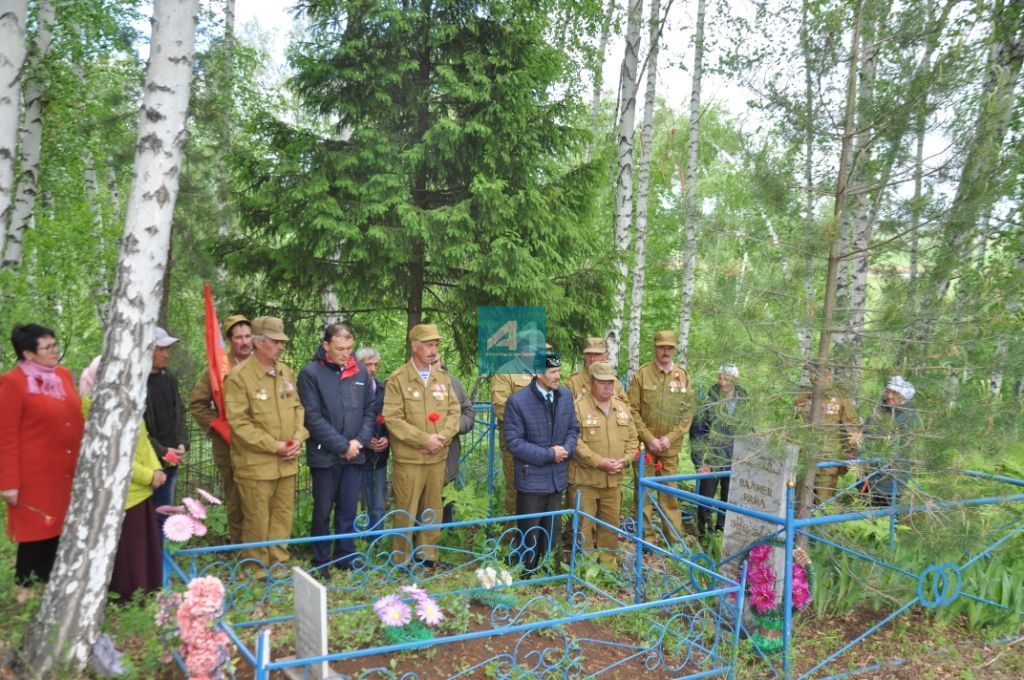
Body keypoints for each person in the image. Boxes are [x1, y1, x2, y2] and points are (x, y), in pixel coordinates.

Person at [0, 324, 84, 599]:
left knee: (59, 532)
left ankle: (49, 589)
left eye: (55, 345)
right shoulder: (13, 382)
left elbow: (74, 417)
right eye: (47, 348)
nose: (55, 352)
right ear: (27, 354)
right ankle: (23, 593)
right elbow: (6, 436)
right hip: (34, 477)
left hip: (65, 472)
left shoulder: (62, 375)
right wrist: (9, 483)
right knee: (34, 534)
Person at [224, 316, 308, 571]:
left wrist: (298, 438)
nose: (280, 346)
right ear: (259, 342)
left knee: (283, 516)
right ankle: (256, 570)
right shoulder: (239, 377)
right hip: (257, 465)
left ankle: (279, 564)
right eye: (275, 341)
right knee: (257, 520)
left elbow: (298, 408)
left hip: (287, 462)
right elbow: (240, 424)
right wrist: (275, 446)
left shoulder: (285, 371)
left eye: (282, 341)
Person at [80, 357, 164, 602]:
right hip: (120, 493)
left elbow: (143, 440)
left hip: (140, 490)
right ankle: (127, 599)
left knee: (142, 547)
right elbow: (115, 457)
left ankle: (146, 593)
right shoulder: (97, 409)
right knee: (129, 551)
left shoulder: (125, 401)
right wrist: (149, 476)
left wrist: (157, 469)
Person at [297, 322, 375, 572]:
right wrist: (342, 446)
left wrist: (359, 442)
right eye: (340, 348)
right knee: (322, 509)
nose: (345, 353)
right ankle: (320, 560)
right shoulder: (310, 373)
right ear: (326, 345)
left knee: (348, 507)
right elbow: (312, 417)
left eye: (350, 348)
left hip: (354, 454)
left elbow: (369, 411)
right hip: (325, 455)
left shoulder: (360, 371)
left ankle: (346, 556)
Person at [382, 324, 460, 566]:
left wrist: (441, 438)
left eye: (436, 345)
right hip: (410, 459)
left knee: (433, 508)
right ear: (414, 346)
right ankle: (401, 559)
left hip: (437, 457)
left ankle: (427, 555)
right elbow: (393, 419)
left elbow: (454, 411)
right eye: (428, 345)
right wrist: (425, 439)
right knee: (406, 510)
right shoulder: (398, 379)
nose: (433, 350)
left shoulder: (442, 379)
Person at [503, 349, 579, 572]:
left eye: (559, 371)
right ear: (537, 373)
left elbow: (574, 428)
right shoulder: (517, 401)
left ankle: (549, 572)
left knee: (553, 530)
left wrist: (567, 448)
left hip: (557, 479)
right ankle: (526, 574)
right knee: (530, 531)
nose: (558, 376)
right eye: (553, 371)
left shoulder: (565, 396)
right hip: (532, 480)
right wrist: (549, 455)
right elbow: (514, 443)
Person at [627, 330, 696, 543]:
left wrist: (669, 439)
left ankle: (673, 542)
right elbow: (632, 410)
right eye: (661, 347)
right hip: (645, 449)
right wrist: (650, 439)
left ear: (674, 349)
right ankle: (645, 541)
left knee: (669, 496)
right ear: (655, 348)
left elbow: (688, 413)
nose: (665, 351)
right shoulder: (642, 374)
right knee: (644, 496)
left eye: (670, 348)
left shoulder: (683, 376)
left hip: (670, 449)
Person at [188, 314, 251, 543]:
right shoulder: (217, 370)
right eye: (239, 337)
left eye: (248, 336)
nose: (245, 341)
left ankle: (262, 547)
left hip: (260, 445)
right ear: (230, 341)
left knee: (261, 498)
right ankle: (240, 547)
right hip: (230, 447)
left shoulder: (261, 363)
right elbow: (197, 404)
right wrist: (218, 427)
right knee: (236, 500)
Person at [569, 361, 637, 567]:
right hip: (585, 480)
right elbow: (575, 442)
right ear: (591, 383)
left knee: (610, 525)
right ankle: (585, 568)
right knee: (584, 526)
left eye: (611, 382)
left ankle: (609, 566)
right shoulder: (578, 408)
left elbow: (634, 440)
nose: (608, 386)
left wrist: (625, 461)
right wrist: (599, 462)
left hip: (613, 481)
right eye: (602, 382)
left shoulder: (622, 408)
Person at [689, 364, 750, 536]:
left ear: (736, 380)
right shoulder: (709, 401)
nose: (722, 383)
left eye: (727, 379)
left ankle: (724, 532)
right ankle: (705, 535)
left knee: (730, 499)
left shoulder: (744, 402)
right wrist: (699, 461)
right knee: (705, 499)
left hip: (736, 458)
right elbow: (697, 433)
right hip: (712, 458)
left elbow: (749, 430)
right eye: (720, 378)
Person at [489, 332, 542, 518]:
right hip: (517, 446)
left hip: (543, 445)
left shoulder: (541, 370)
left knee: (540, 491)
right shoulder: (505, 373)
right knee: (517, 491)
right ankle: (513, 538)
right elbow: (502, 409)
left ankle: (536, 537)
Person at [144, 327, 188, 531]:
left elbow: (178, 410)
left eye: (167, 349)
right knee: (150, 515)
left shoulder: (169, 375)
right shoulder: (138, 382)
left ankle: (162, 557)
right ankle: (153, 558)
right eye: (160, 349)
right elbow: (139, 431)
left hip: (171, 458)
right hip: (148, 462)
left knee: (166, 513)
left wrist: (181, 442)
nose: (166, 354)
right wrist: (162, 451)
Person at [795, 367, 860, 503]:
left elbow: (852, 428)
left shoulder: (841, 398)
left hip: (828, 461)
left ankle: (820, 524)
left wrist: (850, 454)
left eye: (821, 373)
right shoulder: (803, 397)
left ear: (829, 375)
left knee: (822, 504)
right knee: (799, 502)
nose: (815, 377)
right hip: (804, 459)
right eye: (812, 373)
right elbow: (794, 425)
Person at [858, 376, 921, 507]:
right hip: (868, 474)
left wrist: (881, 459)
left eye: (895, 393)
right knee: (864, 514)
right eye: (888, 391)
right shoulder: (878, 411)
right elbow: (865, 436)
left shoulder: (910, 417)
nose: (889, 396)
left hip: (892, 478)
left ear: (904, 396)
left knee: (886, 517)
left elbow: (905, 448)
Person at [355, 347, 389, 531]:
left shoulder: (384, 389)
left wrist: (388, 438)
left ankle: (376, 541)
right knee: (354, 502)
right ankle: (355, 542)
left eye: (376, 364)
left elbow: (393, 417)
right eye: (368, 364)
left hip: (380, 457)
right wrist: (364, 439)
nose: (373, 369)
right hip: (358, 455)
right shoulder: (350, 389)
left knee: (377, 501)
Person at [438, 362, 475, 524]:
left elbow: (468, 415)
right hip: (421, 454)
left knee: (447, 494)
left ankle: (446, 535)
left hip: (449, 452)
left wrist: (451, 426)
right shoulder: (412, 385)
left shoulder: (455, 385)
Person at [564, 337, 627, 402]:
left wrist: (615, 400)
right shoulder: (573, 382)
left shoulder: (614, 381)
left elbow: (627, 407)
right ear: (584, 356)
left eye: (597, 354)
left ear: (605, 356)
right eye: (588, 354)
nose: (592, 359)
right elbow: (565, 409)